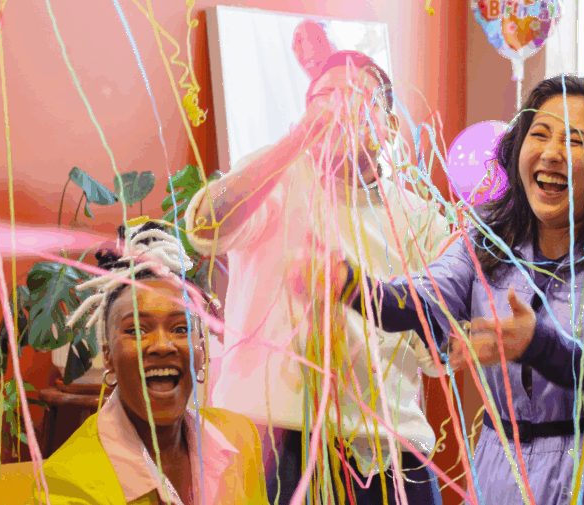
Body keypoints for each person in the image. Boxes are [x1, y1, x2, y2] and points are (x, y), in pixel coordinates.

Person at [314, 75, 584, 504]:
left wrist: (540, 346)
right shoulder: (485, 237)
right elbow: (418, 300)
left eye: (576, 141)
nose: (551, 153)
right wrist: (351, 284)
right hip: (499, 468)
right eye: (539, 134)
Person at [183, 51, 448, 505]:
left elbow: (439, 353)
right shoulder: (277, 178)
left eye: (358, 98)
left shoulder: (419, 217)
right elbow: (206, 228)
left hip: (391, 450)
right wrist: (298, 140)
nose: (340, 108)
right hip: (273, 444)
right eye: (325, 97)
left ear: (389, 126)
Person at [30, 221, 267, 504]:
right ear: (109, 356)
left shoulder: (241, 439)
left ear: (202, 351)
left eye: (181, 328)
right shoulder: (66, 485)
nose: (162, 345)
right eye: (136, 330)